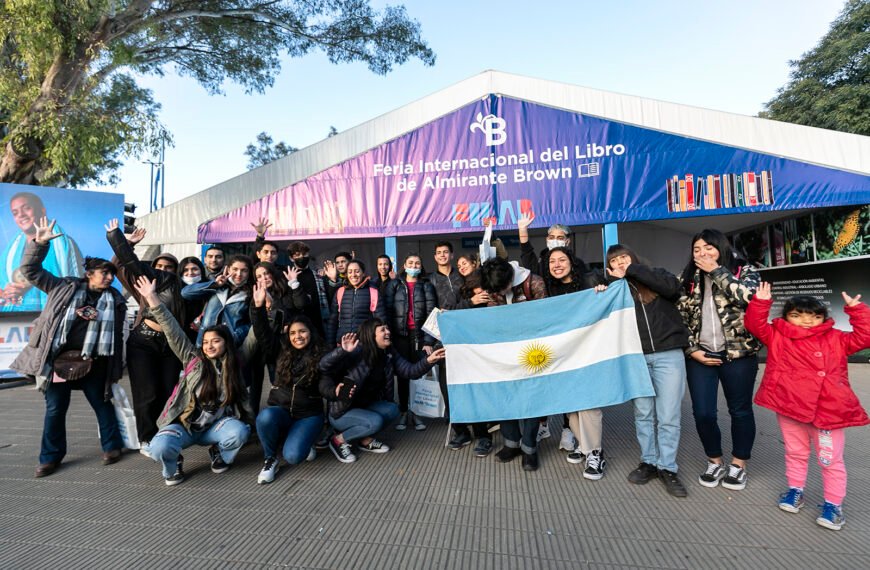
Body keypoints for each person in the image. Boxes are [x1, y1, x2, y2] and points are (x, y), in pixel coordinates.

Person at [746, 283, 870, 531]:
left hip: (827, 412)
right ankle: (795, 490)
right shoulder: (777, 334)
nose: (806, 321)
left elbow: (865, 336)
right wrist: (760, 303)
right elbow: (754, 325)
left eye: (814, 316)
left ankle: (833, 505)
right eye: (797, 315)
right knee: (795, 452)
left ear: (823, 318)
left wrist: (857, 311)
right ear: (786, 317)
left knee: (830, 460)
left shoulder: (836, 339)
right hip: (790, 406)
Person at [10, 217, 125, 477]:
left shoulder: (114, 298)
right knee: (55, 408)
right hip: (60, 361)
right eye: (103, 273)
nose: (109, 278)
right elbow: (31, 271)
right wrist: (39, 243)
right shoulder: (62, 287)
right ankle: (49, 458)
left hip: (94, 361)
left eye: (111, 274)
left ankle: (112, 447)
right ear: (89, 274)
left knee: (102, 403)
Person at [133, 275, 253, 486]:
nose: (209, 346)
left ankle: (219, 453)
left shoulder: (235, 362)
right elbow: (173, 331)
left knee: (240, 432)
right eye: (206, 342)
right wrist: (152, 298)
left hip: (214, 426)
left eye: (216, 341)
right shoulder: (192, 358)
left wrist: (262, 308)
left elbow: (255, 337)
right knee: (158, 448)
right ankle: (173, 463)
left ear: (226, 343)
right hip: (183, 426)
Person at [678, 229, 761, 491]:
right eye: (697, 250)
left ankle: (738, 464)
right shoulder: (687, 278)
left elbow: (749, 297)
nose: (702, 253)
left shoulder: (742, 271)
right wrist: (692, 350)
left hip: (739, 355)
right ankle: (714, 460)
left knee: (740, 410)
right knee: (702, 412)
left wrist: (716, 271)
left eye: (708, 248)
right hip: (701, 354)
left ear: (721, 248)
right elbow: (679, 318)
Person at [605, 244, 690, 497]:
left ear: (633, 257)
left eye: (624, 257)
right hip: (636, 358)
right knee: (643, 413)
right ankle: (649, 462)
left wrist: (635, 271)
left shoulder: (657, 275)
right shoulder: (614, 290)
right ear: (609, 268)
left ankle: (668, 468)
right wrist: (605, 286)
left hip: (669, 355)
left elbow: (673, 289)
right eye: (615, 261)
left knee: (668, 415)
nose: (621, 262)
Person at [105, 220, 185, 453]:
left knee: (169, 390)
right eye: (159, 265)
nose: (163, 270)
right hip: (144, 343)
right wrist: (126, 244)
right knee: (147, 392)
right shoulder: (142, 285)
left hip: (171, 344)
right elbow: (120, 267)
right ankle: (147, 438)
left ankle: (167, 433)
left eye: (169, 267)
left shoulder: (180, 290)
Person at [318, 319, 445, 463]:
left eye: (387, 328)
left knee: (392, 410)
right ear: (371, 335)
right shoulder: (356, 351)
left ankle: (365, 441)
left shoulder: (388, 353)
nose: (388, 332)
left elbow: (410, 371)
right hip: (342, 411)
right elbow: (323, 367)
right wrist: (342, 351)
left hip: (365, 406)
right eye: (383, 330)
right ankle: (338, 440)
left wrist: (429, 360)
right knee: (375, 421)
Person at [251, 281, 326, 484]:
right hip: (282, 410)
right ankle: (270, 458)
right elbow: (263, 334)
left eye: (302, 332)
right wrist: (258, 309)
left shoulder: (322, 355)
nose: (297, 336)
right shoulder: (280, 351)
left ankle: (306, 438)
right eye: (293, 333)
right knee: (265, 417)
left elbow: (330, 380)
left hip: (308, 414)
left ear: (310, 332)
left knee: (293, 457)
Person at [544, 246, 608, 480]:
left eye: (562, 259)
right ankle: (584, 444)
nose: (557, 264)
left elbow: (606, 302)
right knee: (570, 406)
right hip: (562, 357)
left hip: (587, 352)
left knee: (589, 404)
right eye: (552, 261)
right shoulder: (548, 291)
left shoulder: (589, 281)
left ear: (572, 262)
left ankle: (596, 453)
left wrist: (603, 290)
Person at [480, 257, 548, 471]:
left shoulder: (534, 283)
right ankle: (511, 442)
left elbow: (546, 318)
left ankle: (529, 446)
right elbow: (490, 318)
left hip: (531, 350)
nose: (499, 293)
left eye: (502, 289)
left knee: (531, 399)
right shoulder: (494, 287)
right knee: (503, 395)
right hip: (503, 351)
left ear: (511, 277)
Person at [1, 191, 84, 312]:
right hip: (16, 321)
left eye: (27, 208)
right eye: (15, 213)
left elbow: (77, 283)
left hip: (53, 315)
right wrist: (6, 292)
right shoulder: (10, 252)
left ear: (42, 211)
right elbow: (2, 284)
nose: (21, 215)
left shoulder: (64, 245)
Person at [384, 254, 437, 432]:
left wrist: (429, 340)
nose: (414, 265)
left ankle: (416, 412)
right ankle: (403, 411)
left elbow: (432, 314)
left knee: (418, 374)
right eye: (411, 263)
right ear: (404, 265)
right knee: (403, 374)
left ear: (421, 266)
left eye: (417, 263)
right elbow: (388, 312)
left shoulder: (427, 285)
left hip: (419, 336)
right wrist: (388, 338)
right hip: (400, 336)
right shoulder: (395, 284)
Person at [248, 261, 308, 413]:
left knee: (280, 380)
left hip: (281, 346)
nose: (264, 278)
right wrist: (261, 304)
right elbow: (255, 321)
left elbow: (300, 305)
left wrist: (272, 303)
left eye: (266, 273)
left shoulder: (285, 290)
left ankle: (282, 412)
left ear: (272, 273)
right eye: (259, 276)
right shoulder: (256, 295)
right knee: (255, 383)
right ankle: (252, 415)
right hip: (261, 344)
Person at [448, 269, 495, 456]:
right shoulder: (459, 295)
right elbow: (446, 313)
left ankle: (483, 436)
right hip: (459, 352)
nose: (481, 291)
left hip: (482, 353)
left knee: (478, 395)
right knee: (453, 392)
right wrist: (471, 303)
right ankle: (461, 432)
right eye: (477, 288)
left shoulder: (493, 297)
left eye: (484, 287)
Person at [182, 254, 254, 348]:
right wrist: (215, 284)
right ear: (228, 269)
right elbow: (186, 293)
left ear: (249, 273)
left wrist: (236, 336)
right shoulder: (216, 287)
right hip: (204, 344)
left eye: (244, 270)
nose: (239, 274)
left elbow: (251, 323)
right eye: (235, 269)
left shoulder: (251, 293)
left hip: (230, 345)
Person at [325, 259, 387, 346]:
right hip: (343, 344)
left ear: (363, 273)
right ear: (346, 274)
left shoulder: (373, 292)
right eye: (350, 272)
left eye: (357, 271)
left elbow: (381, 321)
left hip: (365, 344)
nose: (353, 275)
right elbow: (332, 321)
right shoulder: (340, 292)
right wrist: (330, 345)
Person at [516, 211, 590, 280]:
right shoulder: (542, 262)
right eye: (551, 237)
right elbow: (527, 254)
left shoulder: (577, 263)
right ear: (547, 240)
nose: (555, 241)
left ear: (567, 242)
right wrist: (523, 230)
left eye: (560, 238)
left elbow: (587, 284)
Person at [287, 240, 332, 336]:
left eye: (304, 254)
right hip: (298, 326)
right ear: (291, 258)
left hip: (320, 324)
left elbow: (330, 298)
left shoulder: (318, 275)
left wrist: (333, 279)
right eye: (297, 255)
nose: (301, 257)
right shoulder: (288, 277)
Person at [177, 256, 207, 342]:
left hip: (204, 337)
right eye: (186, 270)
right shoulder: (175, 290)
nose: (190, 273)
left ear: (201, 270)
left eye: (194, 269)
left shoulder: (210, 289)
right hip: (180, 336)